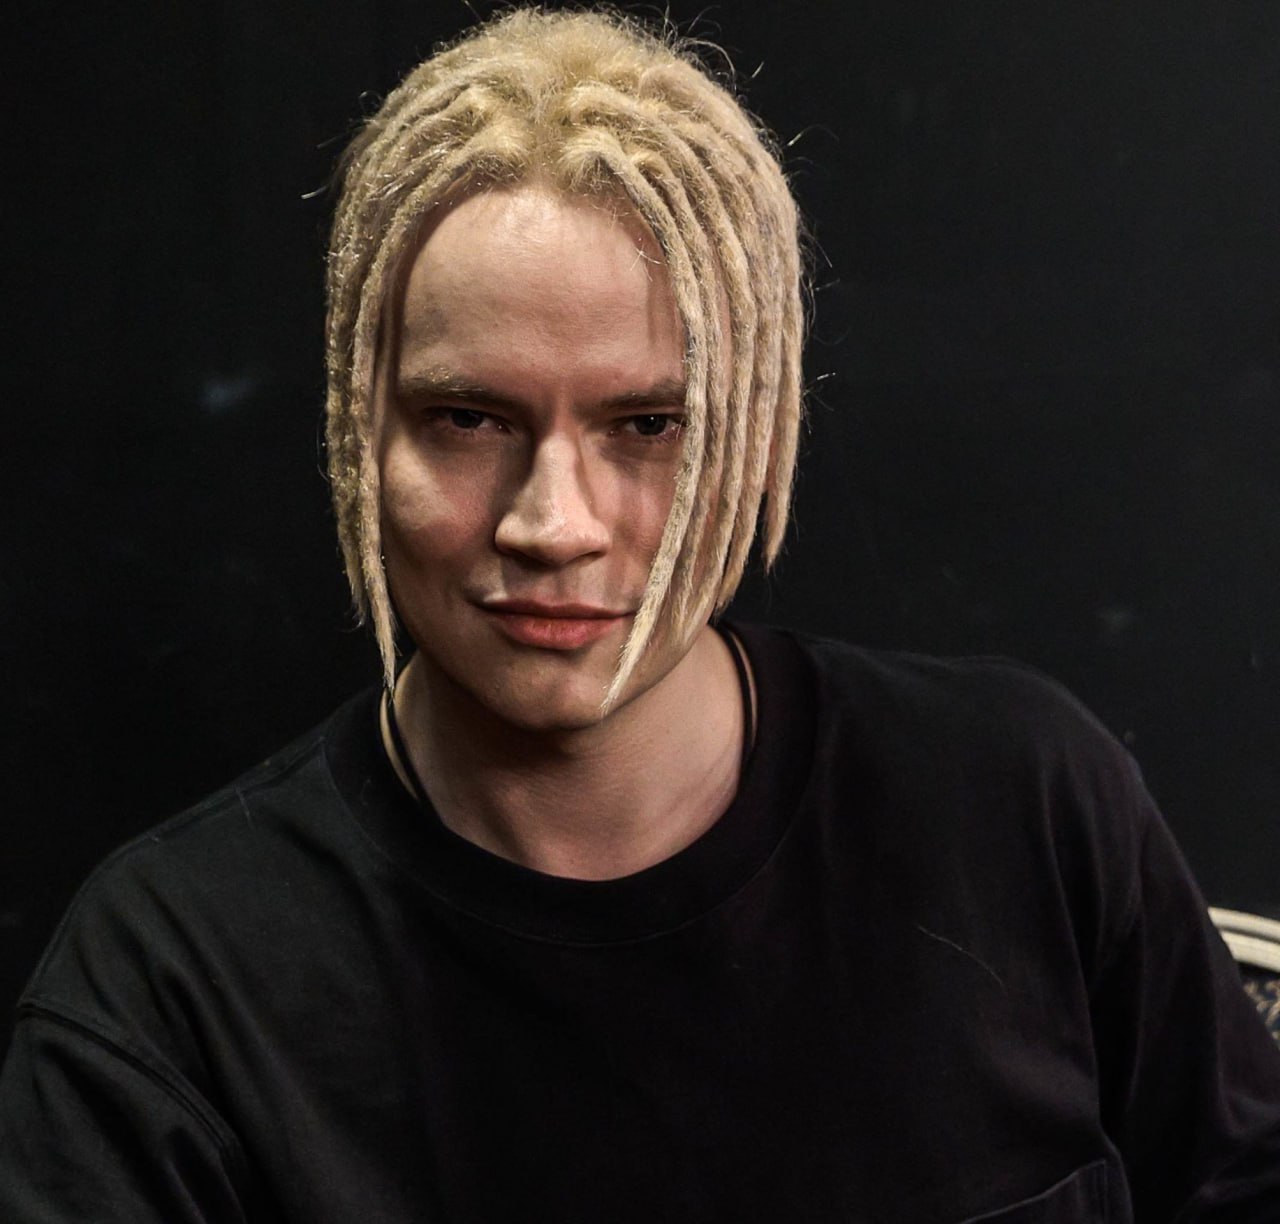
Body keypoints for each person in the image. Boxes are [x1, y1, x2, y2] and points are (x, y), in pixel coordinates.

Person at [3, 8, 1279, 1221]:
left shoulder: (1019, 806)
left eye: (648, 425)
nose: (553, 523)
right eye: (466, 419)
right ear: (358, 433)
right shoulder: (168, 991)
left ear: (761, 424)